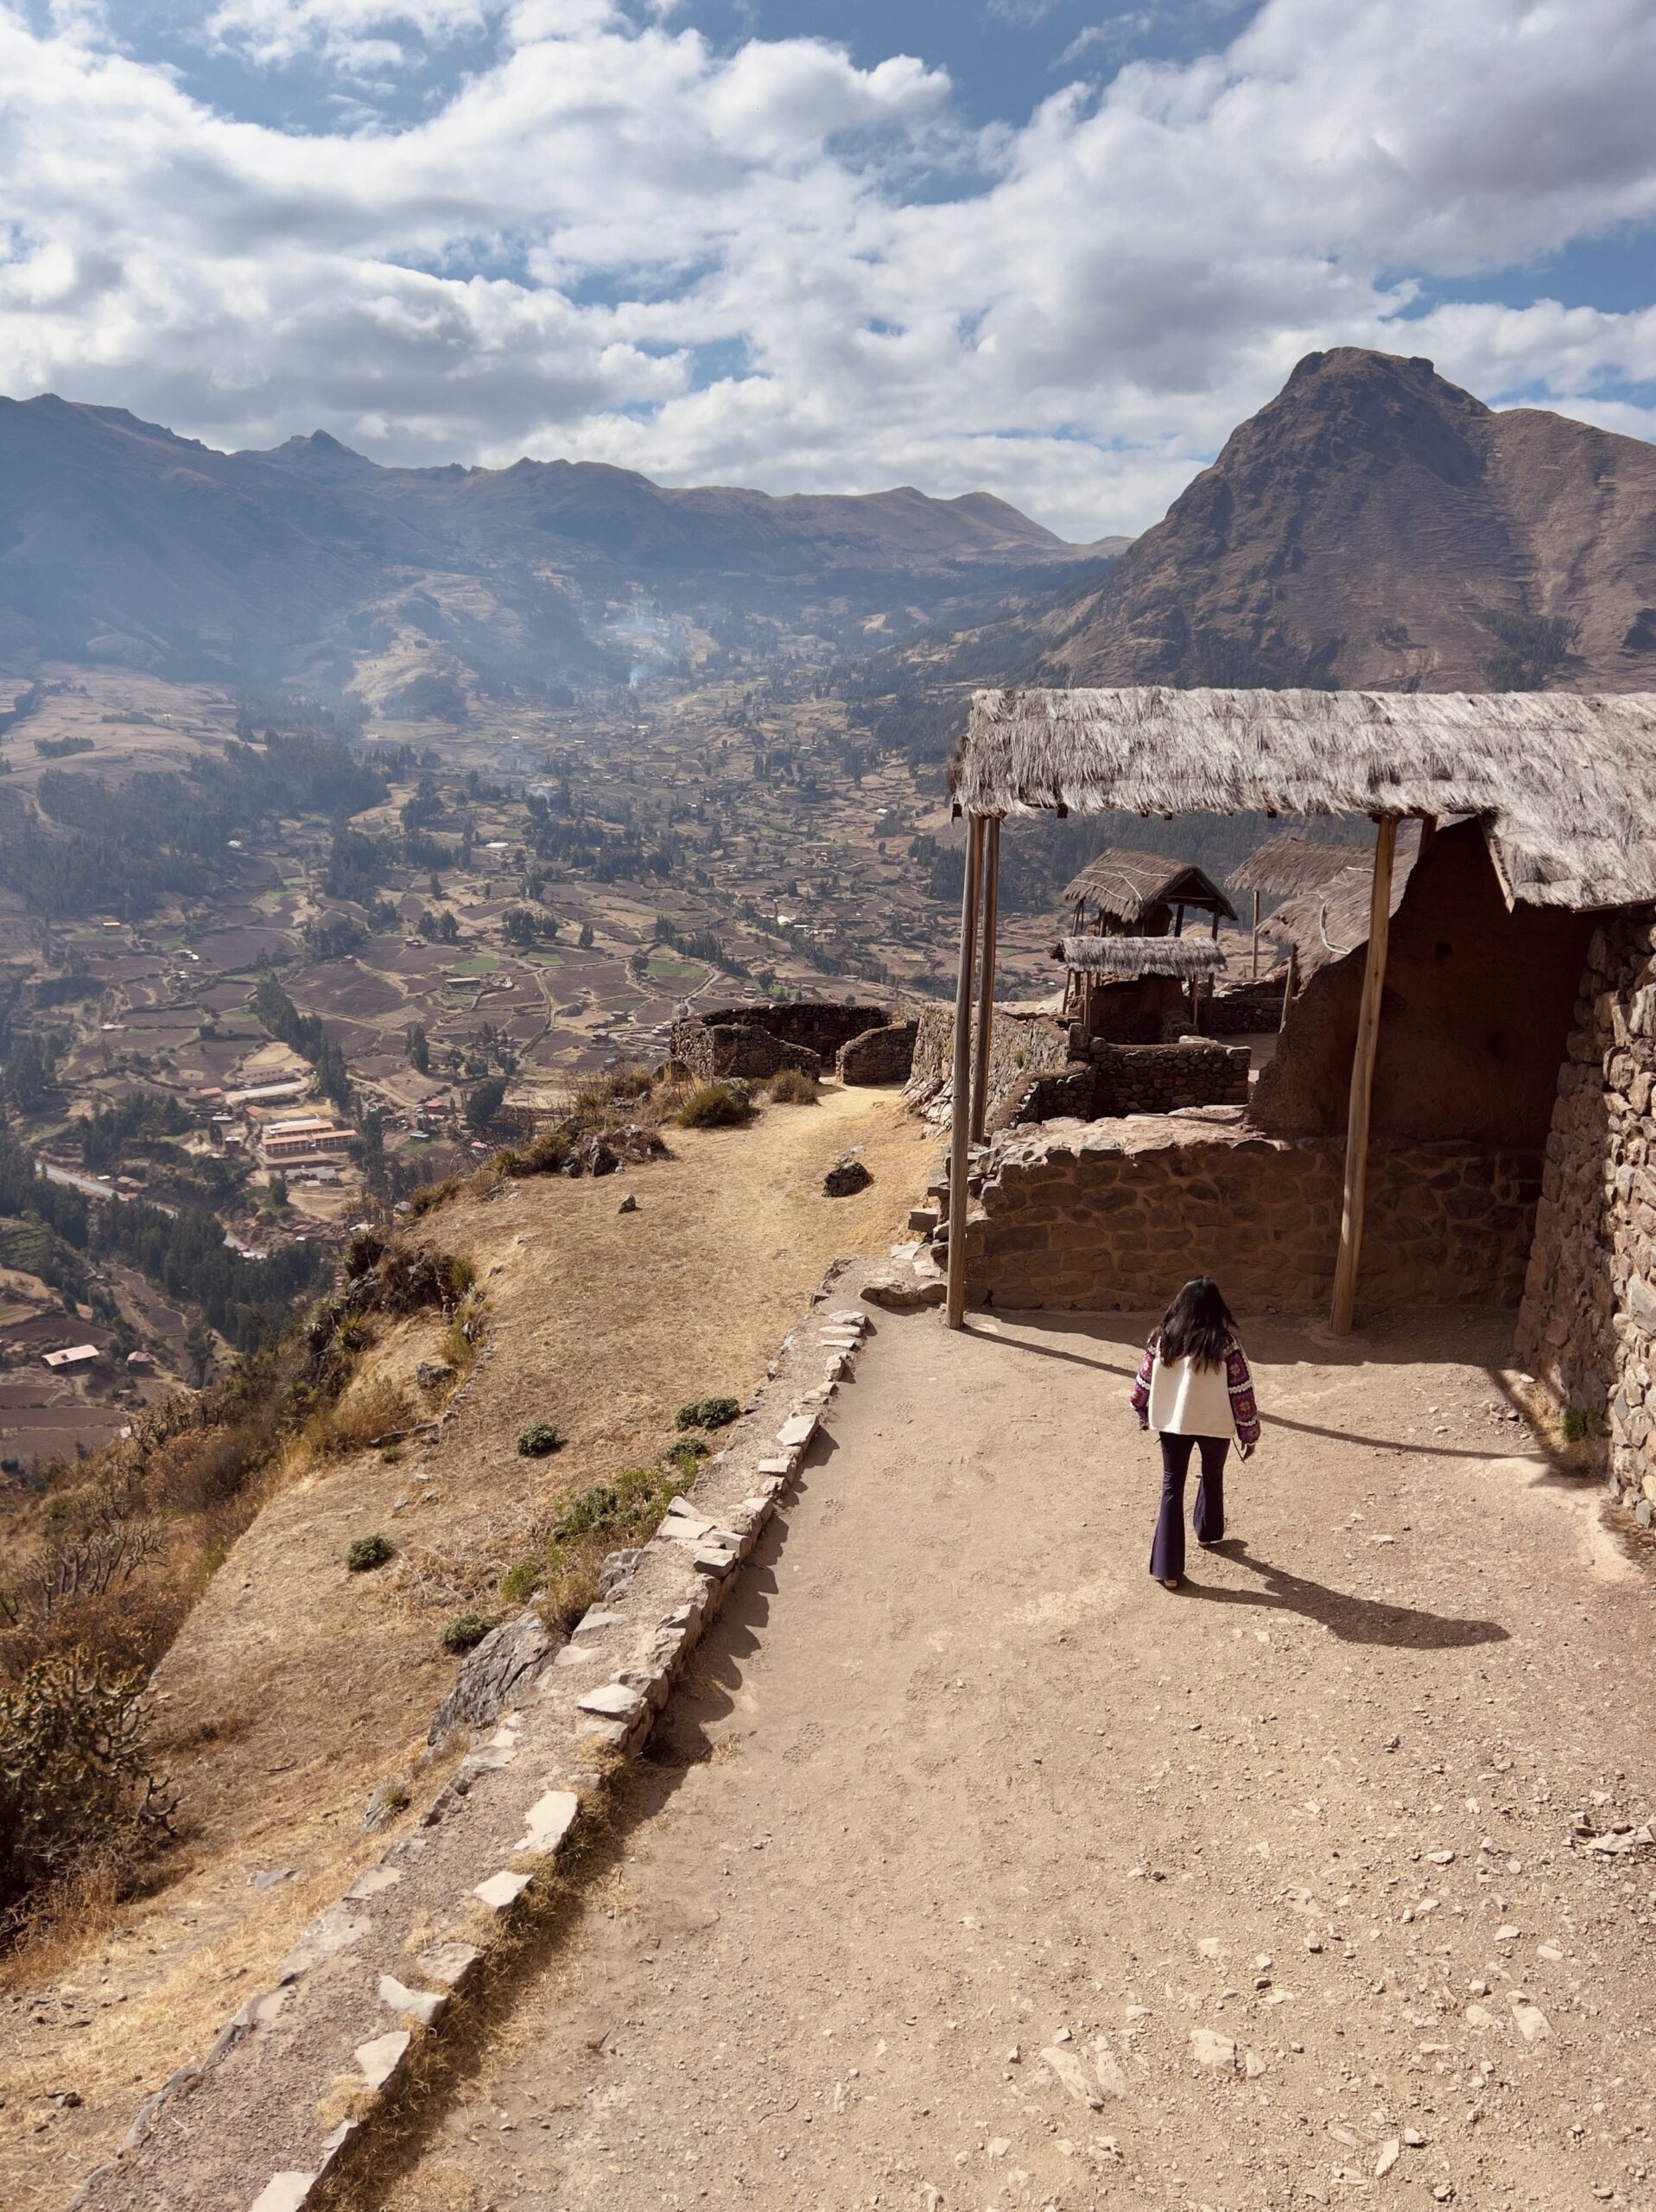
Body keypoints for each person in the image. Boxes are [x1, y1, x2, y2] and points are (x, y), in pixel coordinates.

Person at [1130, 1276, 1260, 1591]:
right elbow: (1241, 1391)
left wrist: (1142, 1411)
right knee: (1213, 1475)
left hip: (1173, 1424)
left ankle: (1168, 1568)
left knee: (1172, 1486)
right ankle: (1208, 1531)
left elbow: (1143, 1382)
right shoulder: (1226, 1344)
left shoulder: (1161, 1339)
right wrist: (1249, 1433)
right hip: (1215, 1424)